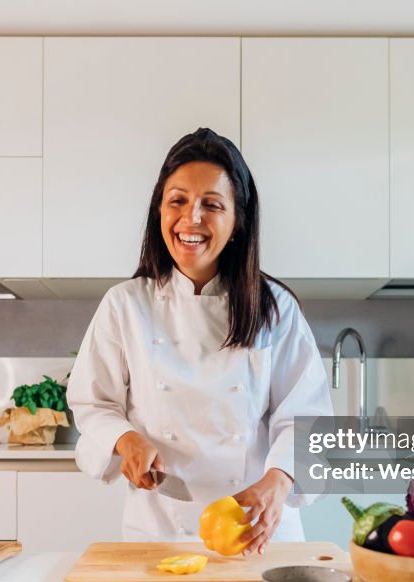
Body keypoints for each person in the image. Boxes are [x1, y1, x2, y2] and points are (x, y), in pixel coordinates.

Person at [67, 128, 333, 555]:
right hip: (158, 534)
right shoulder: (124, 305)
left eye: (212, 205)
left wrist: (279, 481)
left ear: (237, 220)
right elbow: (93, 404)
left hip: (257, 535)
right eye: (178, 201)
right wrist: (125, 440)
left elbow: (308, 419)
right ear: (159, 210)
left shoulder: (275, 307)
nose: (192, 219)